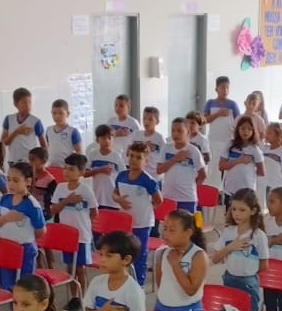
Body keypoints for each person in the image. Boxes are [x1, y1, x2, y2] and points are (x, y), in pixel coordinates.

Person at [49, 154, 99, 311]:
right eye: (65, 168)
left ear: (81, 172)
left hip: (81, 236)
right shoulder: (60, 188)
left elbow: (94, 212)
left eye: (71, 169)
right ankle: (73, 298)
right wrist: (68, 201)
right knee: (70, 267)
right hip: (66, 237)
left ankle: (82, 299)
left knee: (80, 268)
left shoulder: (85, 190)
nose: (66, 172)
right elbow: (54, 210)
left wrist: (83, 223)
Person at [212, 189, 270, 311]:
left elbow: (264, 264)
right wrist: (231, 247)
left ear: (253, 211)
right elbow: (215, 258)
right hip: (229, 278)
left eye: (242, 210)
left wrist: (248, 273)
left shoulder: (258, 236)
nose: (236, 213)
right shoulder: (228, 232)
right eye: (234, 209)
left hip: (248, 283)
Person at [113, 142, 163, 285]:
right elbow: (115, 193)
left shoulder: (147, 180)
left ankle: (138, 284)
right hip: (125, 222)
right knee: (124, 252)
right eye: (132, 156)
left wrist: (145, 208)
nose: (134, 160)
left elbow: (158, 199)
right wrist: (118, 200)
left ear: (145, 161)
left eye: (139, 157)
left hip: (142, 222)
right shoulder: (121, 176)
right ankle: (124, 280)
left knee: (140, 254)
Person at [0, 162, 47, 289]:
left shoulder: (32, 205)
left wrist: (25, 236)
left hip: (24, 250)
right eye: (9, 179)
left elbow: (41, 230)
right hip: (6, 247)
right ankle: (13, 309)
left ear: (28, 181)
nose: (11, 184)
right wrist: (6, 218)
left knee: (24, 286)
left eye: (16, 180)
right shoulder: (5, 199)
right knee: (8, 285)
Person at [157, 118, 207, 213]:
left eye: (180, 131)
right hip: (168, 196)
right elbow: (159, 170)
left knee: (186, 226)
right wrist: (175, 158)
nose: (176, 134)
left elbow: (203, 175)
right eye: (173, 131)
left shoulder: (193, 151)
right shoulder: (166, 148)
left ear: (187, 132)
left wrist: (193, 185)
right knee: (169, 226)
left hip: (187, 198)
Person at [219, 117, 265, 197]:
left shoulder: (255, 149)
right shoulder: (230, 145)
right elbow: (221, 166)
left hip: (247, 191)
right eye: (243, 128)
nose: (246, 131)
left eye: (249, 129)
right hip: (230, 190)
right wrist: (238, 161)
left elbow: (261, 172)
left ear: (253, 131)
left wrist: (247, 173)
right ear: (238, 129)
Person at [204, 76, 242, 173]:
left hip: (228, 140)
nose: (225, 90)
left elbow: (239, 122)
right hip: (213, 139)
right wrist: (218, 114)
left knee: (225, 165)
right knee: (213, 166)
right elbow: (204, 120)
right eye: (222, 87)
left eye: (227, 88)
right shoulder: (210, 103)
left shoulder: (233, 104)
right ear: (216, 89)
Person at [1, 88, 47, 166]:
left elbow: (44, 145)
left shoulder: (35, 121)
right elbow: (3, 143)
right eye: (24, 102)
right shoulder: (9, 119)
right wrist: (17, 132)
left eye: (29, 102)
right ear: (16, 104)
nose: (28, 105)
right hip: (13, 160)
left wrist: (43, 162)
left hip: (30, 162)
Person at [87, 124, 124, 211]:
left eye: (109, 138)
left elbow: (123, 176)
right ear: (97, 139)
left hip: (112, 200)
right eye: (103, 138)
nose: (107, 141)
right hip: (97, 198)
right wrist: (99, 170)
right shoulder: (93, 155)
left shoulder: (116, 157)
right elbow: (84, 173)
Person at [46, 99, 83, 167]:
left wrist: (74, 167)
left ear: (67, 114)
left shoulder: (72, 131)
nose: (57, 116)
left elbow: (79, 152)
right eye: (54, 113)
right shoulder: (49, 130)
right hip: (51, 167)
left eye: (61, 113)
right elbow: (47, 148)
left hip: (66, 169)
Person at [261, 123, 282, 195]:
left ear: (278, 135)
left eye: (269, 133)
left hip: (277, 185)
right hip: (266, 183)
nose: (266, 135)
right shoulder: (264, 148)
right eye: (266, 133)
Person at [28, 147, 58, 214]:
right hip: (28, 207)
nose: (30, 163)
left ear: (43, 161)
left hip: (42, 210)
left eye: (33, 160)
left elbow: (53, 199)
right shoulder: (27, 174)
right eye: (29, 160)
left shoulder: (50, 180)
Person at [139, 107, 166, 178]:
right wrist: (144, 147)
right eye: (144, 118)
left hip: (155, 177)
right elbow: (128, 153)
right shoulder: (136, 135)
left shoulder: (160, 138)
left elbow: (165, 158)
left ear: (157, 121)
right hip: (140, 176)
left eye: (150, 119)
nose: (146, 122)